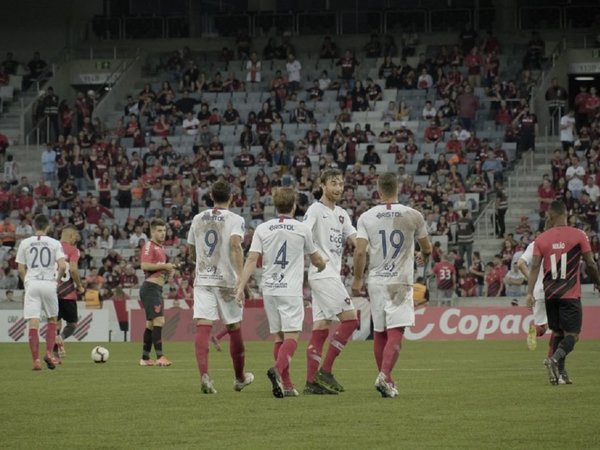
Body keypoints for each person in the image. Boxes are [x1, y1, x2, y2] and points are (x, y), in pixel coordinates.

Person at [236, 187, 326, 398]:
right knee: (292, 336)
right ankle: (277, 369)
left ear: (275, 205)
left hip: (270, 289)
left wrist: (241, 286)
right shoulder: (302, 228)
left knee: (278, 336)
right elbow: (316, 259)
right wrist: (322, 266)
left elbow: (251, 259)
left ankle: (286, 384)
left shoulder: (263, 229)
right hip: (290, 289)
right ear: (294, 205)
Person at [352, 172, 432, 398]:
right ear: (398, 188)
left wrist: (357, 279)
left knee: (379, 332)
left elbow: (359, 251)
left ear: (378, 190)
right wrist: (422, 257)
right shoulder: (413, 215)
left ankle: (386, 379)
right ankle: (385, 376)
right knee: (396, 330)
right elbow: (427, 248)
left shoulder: (367, 216)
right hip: (400, 281)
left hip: (376, 280)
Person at [187, 180, 253, 394]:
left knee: (203, 326)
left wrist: (200, 262)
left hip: (204, 278)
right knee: (234, 328)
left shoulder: (198, 218)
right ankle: (240, 378)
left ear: (211, 197)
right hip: (226, 280)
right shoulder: (236, 219)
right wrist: (242, 279)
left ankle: (205, 376)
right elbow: (235, 245)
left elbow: (191, 250)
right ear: (231, 197)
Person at [527, 200, 600, 385]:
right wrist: (598, 282)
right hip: (569, 294)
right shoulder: (578, 235)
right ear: (566, 214)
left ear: (550, 216)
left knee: (558, 333)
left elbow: (534, 266)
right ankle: (554, 359)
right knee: (573, 335)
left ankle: (561, 374)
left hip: (550, 295)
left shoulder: (541, 239)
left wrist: (529, 293)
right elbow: (590, 264)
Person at [303, 169, 359, 395]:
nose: (338, 188)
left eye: (341, 184)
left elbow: (355, 239)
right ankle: (325, 370)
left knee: (321, 327)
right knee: (351, 320)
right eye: (333, 183)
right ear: (323, 185)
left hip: (330, 275)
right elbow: (304, 233)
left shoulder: (342, 214)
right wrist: (315, 256)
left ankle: (310, 382)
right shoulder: (315, 209)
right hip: (323, 272)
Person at [16, 214, 67, 370]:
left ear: (33, 226)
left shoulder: (25, 243)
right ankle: (49, 353)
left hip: (32, 283)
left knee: (33, 322)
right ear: (48, 227)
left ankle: (36, 361)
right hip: (48, 283)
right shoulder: (54, 243)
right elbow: (63, 266)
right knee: (52, 320)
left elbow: (20, 268)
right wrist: (57, 280)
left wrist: (26, 282)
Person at [139, 218, 176, 367]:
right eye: (159, 231)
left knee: (150, 324)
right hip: (150, 289)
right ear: (152, 232)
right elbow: (144, 265)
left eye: (164, 230)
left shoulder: (161, 248)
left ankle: (145, 358)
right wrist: (166, 266)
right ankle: (160, 356)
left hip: (156, 288)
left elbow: (157, 269)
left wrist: (168, 274)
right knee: (159, 321)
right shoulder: (150, 245)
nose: (163, 233)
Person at [53, 225, 85, 360]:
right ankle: (61, 337)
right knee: (72, 324)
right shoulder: (74, 250)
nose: (75, 240)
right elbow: (73, 269)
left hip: (52, 292)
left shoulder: (52, 248)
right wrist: (79, 286)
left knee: (55, 322)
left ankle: (54, 354)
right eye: (75, 237)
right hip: (68, 294)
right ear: (71, 236)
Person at [518, 241, 551, 354]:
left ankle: (535, 331)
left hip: (538, 290)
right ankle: (554, 358)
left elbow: (520, 263)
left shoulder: (534, 244)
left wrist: (533, 280)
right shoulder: (561, 241)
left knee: (541, 326)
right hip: (555, 288)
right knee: (559, 327)